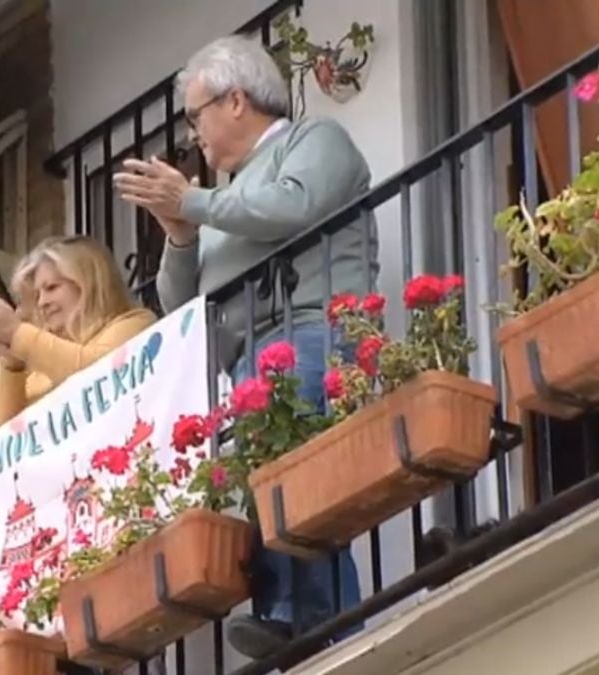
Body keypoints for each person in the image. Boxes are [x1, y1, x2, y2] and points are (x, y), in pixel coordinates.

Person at [114, 35, 377, 659]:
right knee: (279, 483)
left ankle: (304, 618)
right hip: (254, 357)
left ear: (236, 101)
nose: (194, 132)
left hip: (313, 328)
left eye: (195, 113)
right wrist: (180, 234)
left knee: (295, 478)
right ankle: (313, 621)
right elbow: (180, 301)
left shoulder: (312, 143)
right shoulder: (223, 204)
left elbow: (295, 206)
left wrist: (197, 202)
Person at [0, 236, 157, 432]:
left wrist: (17, 333)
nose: (42, 302)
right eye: (37, 295)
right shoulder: (38, 368)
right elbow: (0, 435)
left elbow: (98, 375)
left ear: (89, 283)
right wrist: (12, 364)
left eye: (51, 288)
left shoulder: (135, 323)